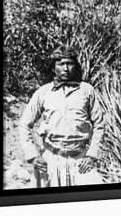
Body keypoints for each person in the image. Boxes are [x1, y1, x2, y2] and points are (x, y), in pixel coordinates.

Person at [19, 44, 105, 187]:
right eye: (61, 64)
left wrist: (91, 156)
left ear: (75, 66)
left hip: (81, 160)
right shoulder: (43, 92)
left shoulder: (87, 90)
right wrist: (33, 155)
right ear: (53, 67)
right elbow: (24, 125)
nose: (65, 68)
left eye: (70, 64)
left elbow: (99, 125)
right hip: (50, 160)